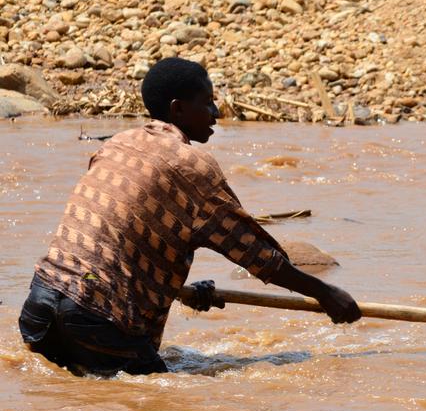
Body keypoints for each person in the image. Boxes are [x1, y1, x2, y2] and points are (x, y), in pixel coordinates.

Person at [18, 57, 361, 376]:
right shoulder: (192, 167)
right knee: (158, 407)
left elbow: (116, 244)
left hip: (40, 307)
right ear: (178, 110)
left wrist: (179, 289)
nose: (215, 113)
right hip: (96, 316)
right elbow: (259, 256)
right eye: (207, 103)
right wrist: (325, 292)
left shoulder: (116, 145)